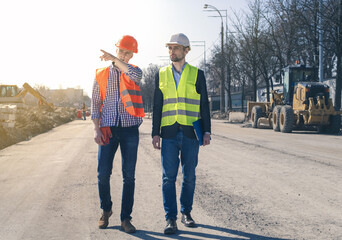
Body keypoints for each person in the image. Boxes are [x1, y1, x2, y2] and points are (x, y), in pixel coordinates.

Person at [152, 33, 211, 235]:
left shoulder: (197, 74)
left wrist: (207, 131)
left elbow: (204, 105)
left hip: (190, 133)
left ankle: (186, 212)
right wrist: (155, 133)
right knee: (168, 178)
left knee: (189, 176)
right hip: (168, 132)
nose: (172, 51)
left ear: (186, 51)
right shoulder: (161, 74)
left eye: (176, 48)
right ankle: (170, 219)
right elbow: (157, 105)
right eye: (170, 48)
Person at [91, 35, 144, 233]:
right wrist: (96, 128)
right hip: (107, 129)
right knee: (103, 174)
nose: (123, 54)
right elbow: (95, 103)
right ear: (118, 50)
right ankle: (106, 210)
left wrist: (114, 59)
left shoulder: (134, 72)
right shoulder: (101, 74)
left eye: (127, 52)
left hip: (130, 129)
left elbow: (134, 75)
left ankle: (126, 218)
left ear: (131, 55)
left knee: (128, 176)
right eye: (121, 51)